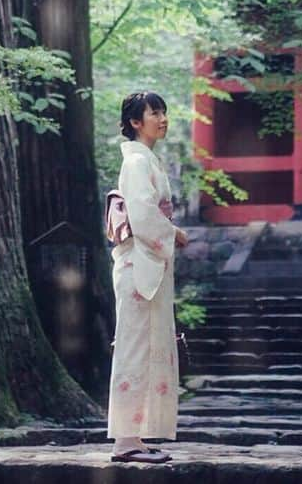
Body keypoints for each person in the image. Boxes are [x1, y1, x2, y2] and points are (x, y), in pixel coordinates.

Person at [107, 90, 190, 465]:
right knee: (134, 346)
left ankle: (135, 437)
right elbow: (141, 215)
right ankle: (125, 441)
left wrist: (168, 232)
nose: (163, 118)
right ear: (135, 122)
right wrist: (173, 233)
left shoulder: (146, 159)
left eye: (164, 111)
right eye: (154, 112)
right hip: (138, 265)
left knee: (146, 346)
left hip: (146, 264)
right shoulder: (137, 162)